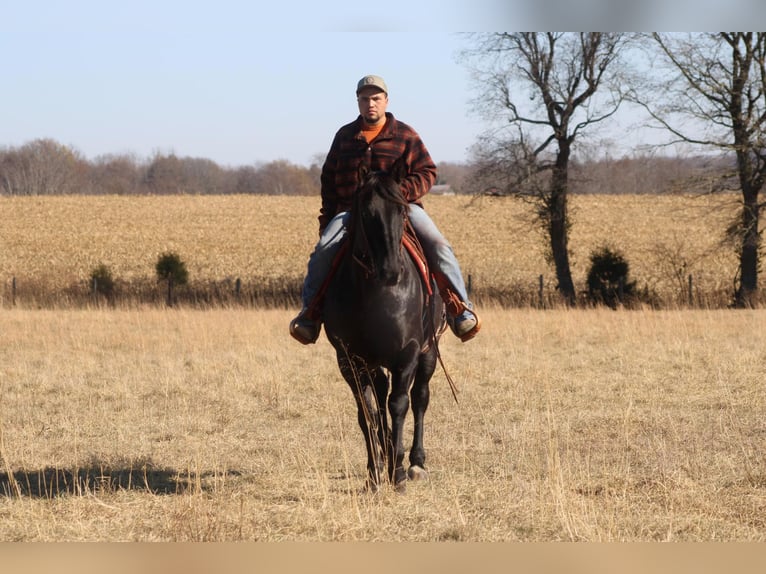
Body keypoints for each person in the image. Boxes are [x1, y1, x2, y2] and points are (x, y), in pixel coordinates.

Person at [289, 74, 480, 345]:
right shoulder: (345, 136)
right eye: (365, 99)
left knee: (439, 245)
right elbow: (329, 181)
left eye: (376, 98)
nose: (371, 104)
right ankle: (310, 314)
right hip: (352, 213)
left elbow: (428, 171)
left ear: (386, 101)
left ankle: (459, 308)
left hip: (401, 209)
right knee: (322, 251)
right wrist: (327, 220)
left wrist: (400, 194)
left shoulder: (405, 134)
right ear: (358, 102)